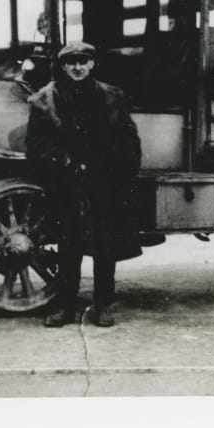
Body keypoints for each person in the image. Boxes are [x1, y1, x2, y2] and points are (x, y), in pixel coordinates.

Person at [25, 41, 142, 328]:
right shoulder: (45, 100)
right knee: (69, 246)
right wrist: (63, 162)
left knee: (105, 246)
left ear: (92, 64)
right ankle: (64, 307)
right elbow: (36, 144)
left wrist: (120, 172)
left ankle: (103, 305)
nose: (77, 67)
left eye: (83, 61)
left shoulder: (113, 97)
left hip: (104, 181)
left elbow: (129, 140)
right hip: (67, 182)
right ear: (63, 66)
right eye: (71, 62)